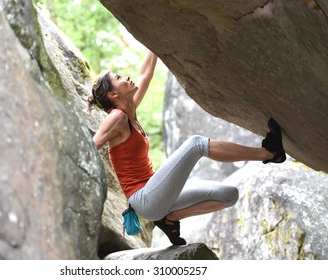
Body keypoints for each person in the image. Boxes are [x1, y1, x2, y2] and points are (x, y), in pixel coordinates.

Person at [88, 50, 286, 246]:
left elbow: (145, 74)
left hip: (159, 197)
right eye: (119, 77)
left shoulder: (129, 110)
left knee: (229, 195)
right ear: (113, 94)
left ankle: (171, 219)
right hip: (145, 199)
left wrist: (154, 40)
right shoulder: (117, 117)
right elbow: (93, 144)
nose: (126, 77)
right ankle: (268, 152)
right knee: (196, 144)